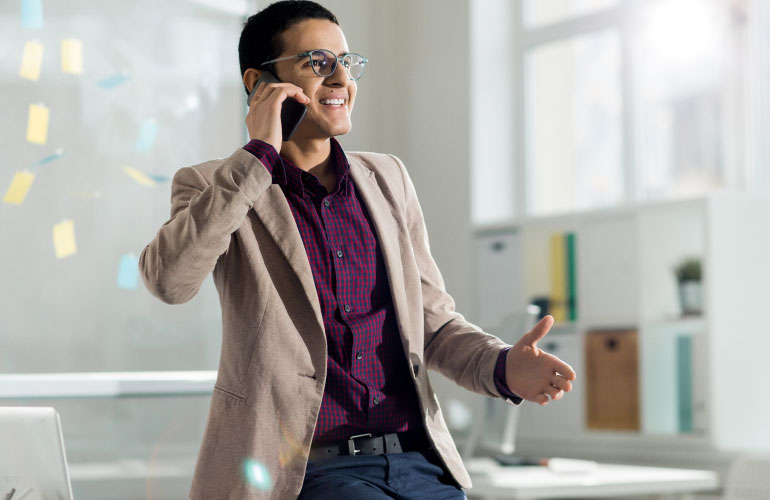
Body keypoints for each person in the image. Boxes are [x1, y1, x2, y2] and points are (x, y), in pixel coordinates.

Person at [139, 1, 576, 498]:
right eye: (318, 63)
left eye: (347, 62)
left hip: (419, 464)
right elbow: (169, 281)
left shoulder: (388, 179)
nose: (340, 78)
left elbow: (431, 324)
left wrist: (502, 368)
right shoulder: (214, 185)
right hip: (304, 474)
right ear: (258, 83)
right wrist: (258, 153)